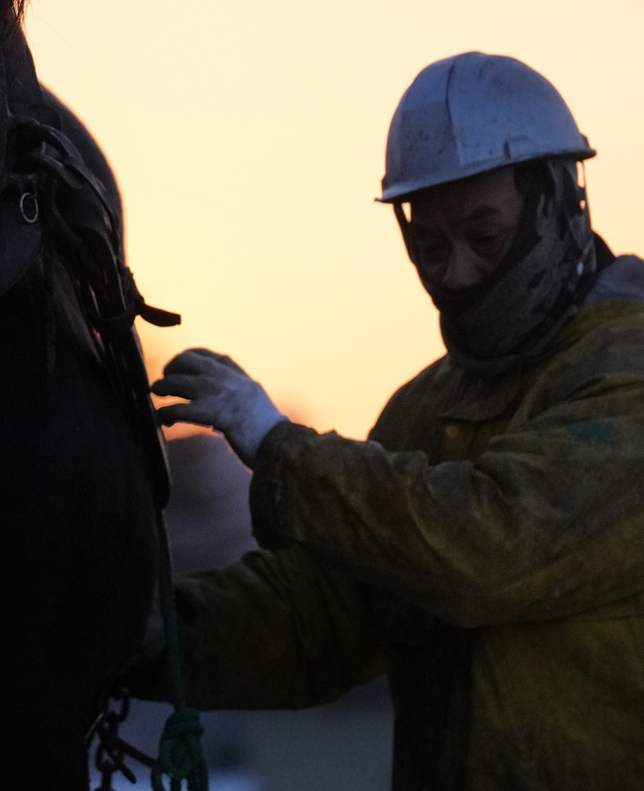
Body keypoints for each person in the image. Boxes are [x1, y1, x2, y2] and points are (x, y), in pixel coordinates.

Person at [143, 51, 644, 790]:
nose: (459, 273)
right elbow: (325, 620)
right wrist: (145, 638)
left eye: (485, 236)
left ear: (561, 201)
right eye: (431, 246)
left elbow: (488, 548)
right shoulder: (423, 411)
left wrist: (277, 446)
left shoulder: (627, 373)